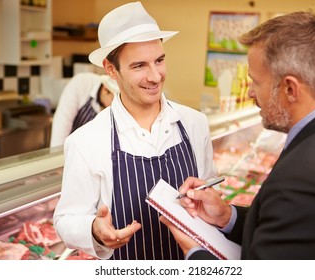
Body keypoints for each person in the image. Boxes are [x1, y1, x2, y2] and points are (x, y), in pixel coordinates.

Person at [162, 11, 315, 259]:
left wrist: (194, 251)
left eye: (255, 82)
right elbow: (291, 233)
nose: (249, 94)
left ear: (290, 88)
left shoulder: (307, 177)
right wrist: (227, 216)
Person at [53, 1, 215, 260]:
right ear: (110, 69)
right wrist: (94, 230)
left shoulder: (195, 124)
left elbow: (208, 196)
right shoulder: (86, 141)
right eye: (139, 66)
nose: (155, 76)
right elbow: (65, 219)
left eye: (159, 60)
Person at [50, 72, 119, 147]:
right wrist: (57, 155)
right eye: (114, 99)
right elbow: (62, 125)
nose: (115, 104)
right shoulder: (82, 83)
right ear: (105, 90)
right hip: (68, 149)